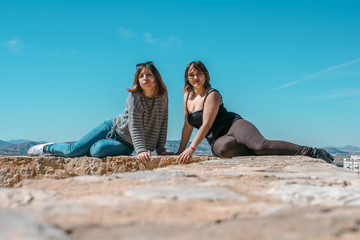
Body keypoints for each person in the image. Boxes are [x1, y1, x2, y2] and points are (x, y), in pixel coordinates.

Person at [176, 61, 334, 164]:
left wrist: (191, 149)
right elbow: (187, 126)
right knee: (222, 151)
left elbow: (207, 123)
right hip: (218, 139)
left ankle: (311, 151)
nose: (195, 77)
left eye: (199, 74)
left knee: (260, 145)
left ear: (206, 76)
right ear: (187, 78)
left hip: (233, 125)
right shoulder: (187, 96)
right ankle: (261, 153)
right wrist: (179, 151)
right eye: (191, 75)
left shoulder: (212, 94)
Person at [28, 61, 172, 163]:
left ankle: (91, 146)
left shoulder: (163, 96)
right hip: (113, 128)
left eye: (149, 75)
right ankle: (47, 147)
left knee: (98, 151)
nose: (145, 78)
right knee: (73, 151)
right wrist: (141, 150)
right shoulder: (134, 96)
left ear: (156, 78)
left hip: (128, 143)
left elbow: (163, 122)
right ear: (138, 80)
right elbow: (135, 124)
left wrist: (160, 149)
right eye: (141, 76)